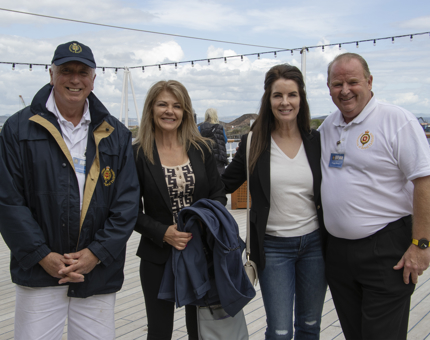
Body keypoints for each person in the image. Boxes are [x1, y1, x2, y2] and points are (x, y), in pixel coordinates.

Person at [0, 41, 139, 340]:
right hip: (39, 273)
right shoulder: (16, 129)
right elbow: (8, 202)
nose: (74, 79)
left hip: (96, 273)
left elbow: (126, 205)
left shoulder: (116, 133)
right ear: (51, 75)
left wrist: (95, 254)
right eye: (66, 71)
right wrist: (42, 255)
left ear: (93, 79)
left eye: (82, 72)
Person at [320, 52, 430, 340]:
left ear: (369, 81)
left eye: (352, 82)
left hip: (385, 250)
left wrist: (421, 244)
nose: (344, 90)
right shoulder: (327, 127)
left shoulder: (396, 120)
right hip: (339, 255)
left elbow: (424, 180)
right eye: (336, 84)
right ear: (328, 88)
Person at [222, 64, 327, 340]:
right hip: (273, 248)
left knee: (310, 325)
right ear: (268, 100)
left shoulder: (316, 140)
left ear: (301, 98)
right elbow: (222, 185)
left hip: (315, 245)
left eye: (291, 95)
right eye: (277, 95)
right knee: (280, 331)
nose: (285, 102)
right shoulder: (253, 142)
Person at [133, 80, 227, 340]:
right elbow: (128, 210)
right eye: (162, 104)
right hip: (157, 255)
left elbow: (218, 195)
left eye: (177, 106)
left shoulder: (202, 149)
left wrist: (201, 222)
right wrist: (164, 232)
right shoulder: (138, 154)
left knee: (199, 330)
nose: (169, 111)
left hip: (200, 251)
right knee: (159, 331)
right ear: (151, 109)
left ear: (185, 112)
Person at [198, 108, 229, 174]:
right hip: (219, 158)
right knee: (220, 180)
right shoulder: (220, 127)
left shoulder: (200, 127)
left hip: (205, 157)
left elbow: (197, 141)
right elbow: (225, 140)